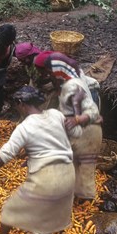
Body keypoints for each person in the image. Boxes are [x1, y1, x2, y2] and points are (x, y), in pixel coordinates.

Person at [0, 86, 79, 234]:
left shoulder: (24, 128)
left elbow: (3, 158)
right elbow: (64, 136)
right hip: (67, 174)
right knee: (45, 213)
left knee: (9, 210)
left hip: (47, 178)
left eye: (16, 106)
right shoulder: (56, 114)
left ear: (21, 103)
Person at [36, 52, 104, 200]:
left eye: (49, 72)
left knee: (84, 169)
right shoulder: (68, 80)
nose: (48, 76)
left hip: (88, 131)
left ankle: (86, 207)